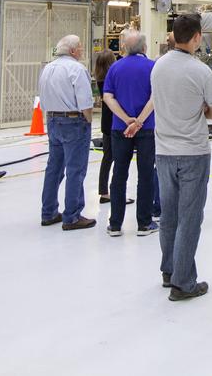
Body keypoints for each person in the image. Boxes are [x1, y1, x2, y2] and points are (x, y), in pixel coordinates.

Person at [152, 13, 212, 300]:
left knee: (169, 215)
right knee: (190, 217)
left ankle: (169, 271)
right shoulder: (201, 71)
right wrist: (201, 111)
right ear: (196, 37)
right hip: (193, 151)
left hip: (164, 152)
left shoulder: (158, 67)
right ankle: (184, 282)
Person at [102, 30, 159, 237]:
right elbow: (155, 97)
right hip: (146, 128)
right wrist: (139, 121)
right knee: (145, 174)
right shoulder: (153, 67)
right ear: (144, 47)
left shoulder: (115, 68)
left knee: (119, 174)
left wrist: (126, 120)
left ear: (124, 47)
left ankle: (115, 224)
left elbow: (108, 97)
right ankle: (144, 223)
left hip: (120, 129)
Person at [38, 34, 96, 230]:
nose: (81, 50)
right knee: (75, 170)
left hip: (52, 121)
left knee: (53, 169)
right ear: (73, 51)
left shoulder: (48, 68)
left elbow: (43, 98)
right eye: (80, 47)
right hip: (74, 122)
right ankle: (72, 216)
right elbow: (86, 103)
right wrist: (87, 122)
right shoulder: (77, 69)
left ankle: (48, 212)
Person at [93, 49, 118, 203]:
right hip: (116, 122)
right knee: (119, 158)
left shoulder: (100, 80)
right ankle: (114, 190)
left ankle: (104, 191)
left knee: (107, 157)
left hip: (106, 122)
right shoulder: (112, 80)